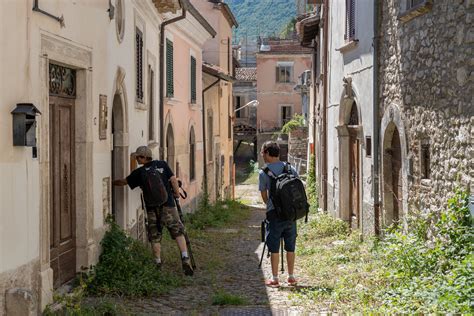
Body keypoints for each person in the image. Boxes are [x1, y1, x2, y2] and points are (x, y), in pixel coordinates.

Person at [112, 146, 193, 276]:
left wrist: (112, 182)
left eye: (138, 157)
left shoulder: (139, 172)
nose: (137, 159)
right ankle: (185, 258)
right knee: (177, 231)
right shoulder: (162, 164)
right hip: (169, 205)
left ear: (144, 157)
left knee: (155, 236)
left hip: (151, 209)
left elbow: (123, 182)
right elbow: (173, 180)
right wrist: (177, 194)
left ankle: (157, 263)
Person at [258, 141, 299, 287]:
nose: (262, 155)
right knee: (290, 246)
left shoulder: (264, 172)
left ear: (268, 153)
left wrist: (271, 204)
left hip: (274, 214)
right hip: (291, 214)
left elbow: (264, 196)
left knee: (274, 247)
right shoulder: (290, 168)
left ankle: (275, 278)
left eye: (263, 152)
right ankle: (291, 276)